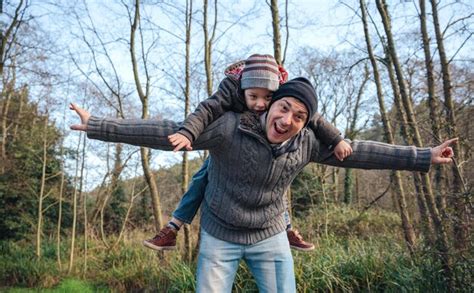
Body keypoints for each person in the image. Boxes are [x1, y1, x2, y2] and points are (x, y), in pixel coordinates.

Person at [70, 77, 456, 292]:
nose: (288, 119)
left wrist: (422, 156)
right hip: (220, 236)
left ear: (306, 125)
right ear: (270, 104)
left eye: (300, 116)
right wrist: (99, 126)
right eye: (284, 107)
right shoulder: (226, 128)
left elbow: (361, 153)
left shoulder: (306, 144)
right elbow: (165, 131)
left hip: (270, 237)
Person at [142, 54, 352, 252]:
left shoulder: (284, 97)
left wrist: (336, 140)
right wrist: (188, 132)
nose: (260, 104)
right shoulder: (230, 90)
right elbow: (207, 110)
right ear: (243, 89)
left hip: (266, 146)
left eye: (267, 97)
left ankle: (286, 230)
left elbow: (313, 117)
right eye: (253, 97)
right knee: (201, 178)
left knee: (277, 179)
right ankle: (173, 227)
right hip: (229, 146)